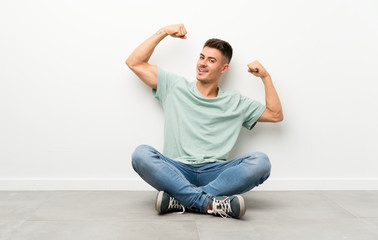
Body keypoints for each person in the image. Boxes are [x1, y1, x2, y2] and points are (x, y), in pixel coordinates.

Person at [126, 24, 283, 219]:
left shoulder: (235, 102)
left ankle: (181, 199)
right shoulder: (175, 86)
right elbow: (134, 62)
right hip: (177, 169)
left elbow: (275, 114)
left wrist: (265, 77)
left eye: (211, 60)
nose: (202, 63)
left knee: (261, 162)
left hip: (216, 172)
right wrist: (164, 32)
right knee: (141, 154)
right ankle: (208, 203)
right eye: (201, 57)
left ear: (224, 68)